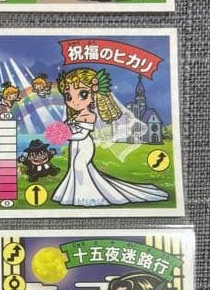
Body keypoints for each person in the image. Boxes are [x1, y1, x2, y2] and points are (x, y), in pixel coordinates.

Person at [51, 67, 168, 208]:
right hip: (74, 146)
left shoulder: (89, 115)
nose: (74, 101)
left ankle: (86, 196)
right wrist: (60, 132)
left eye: (82, 94)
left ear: (93, 95)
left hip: (84, 145)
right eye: (69, 96)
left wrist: (65, 135)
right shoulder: (75, 115)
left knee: (79, 166)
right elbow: (68, 129)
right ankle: (73, 194)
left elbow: (82, 134)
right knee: (73, 168)